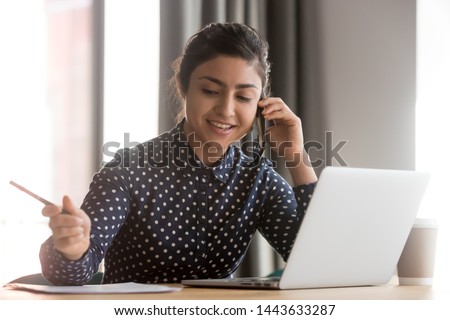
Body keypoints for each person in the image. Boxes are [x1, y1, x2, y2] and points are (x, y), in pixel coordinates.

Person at [39, 22, 318, 285]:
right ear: (184, 87)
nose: (226, 110)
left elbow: (316, 263)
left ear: (261, 104)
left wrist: (296, 157)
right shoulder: (128, 171)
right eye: (210, 90)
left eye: (244, 97)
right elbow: (73, 274)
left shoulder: (258, 179)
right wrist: (73, 249)